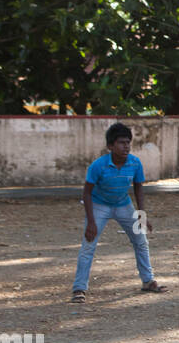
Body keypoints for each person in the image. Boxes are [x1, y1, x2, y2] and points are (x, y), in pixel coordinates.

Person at [71, 122, 168, 303]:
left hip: (123, 204)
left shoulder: (134, 163)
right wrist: (91, 221)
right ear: (110, 146)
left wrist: (141, 215)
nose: (126, 147)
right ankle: (79, 289)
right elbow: (87, 192)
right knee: (88, 246)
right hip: (100, 205)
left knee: (141, 240)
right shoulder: (98, 166)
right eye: (121, 143)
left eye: (128, 143)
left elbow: (138, 188)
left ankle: (148, 281)